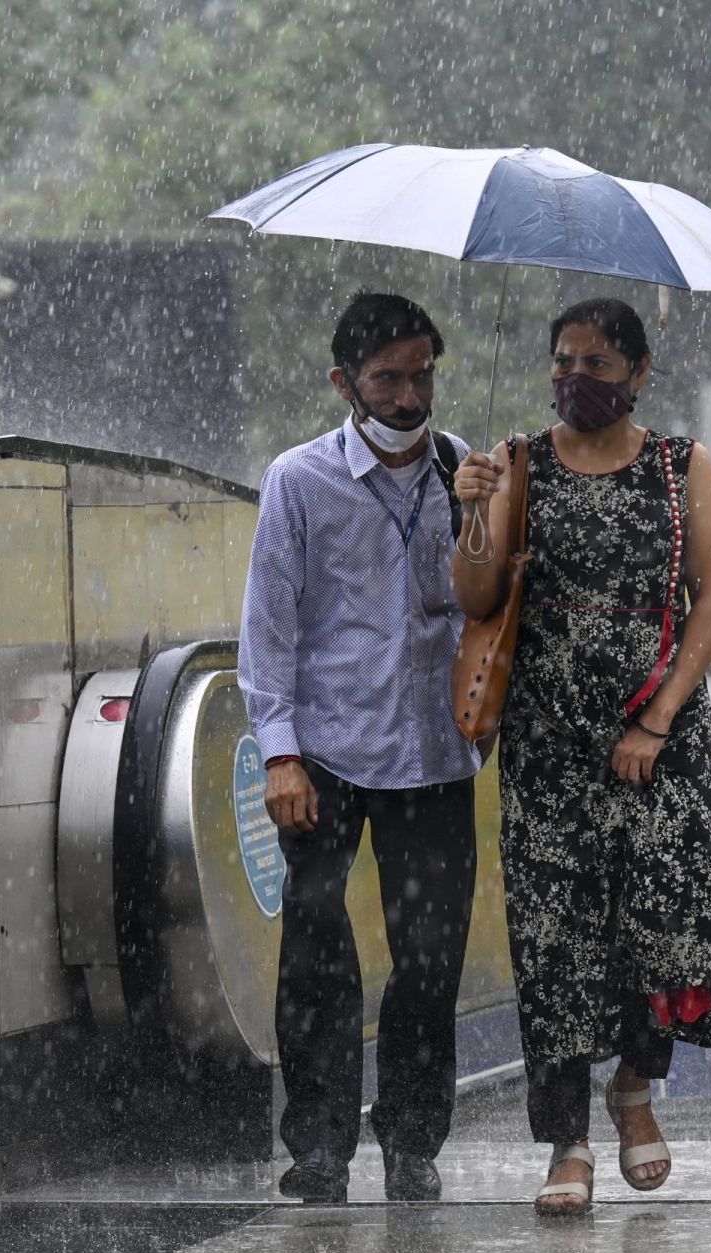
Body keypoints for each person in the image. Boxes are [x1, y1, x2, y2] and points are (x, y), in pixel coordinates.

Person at [451, 297, 711, 1216]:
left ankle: (634, 1088)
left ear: (640, 374)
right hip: (547, 744)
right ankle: (567, 1140)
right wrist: (471, 511)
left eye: (599, 364)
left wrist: (655, 721)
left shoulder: (680, 466)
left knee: (657, 929)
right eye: (564, 360)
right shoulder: (517, 464)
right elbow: (475, 596)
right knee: (555, 941)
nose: (577, 379)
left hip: (656, 742)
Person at [238, 292, 483, 1204]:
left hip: (434, 756)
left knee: (429, 959)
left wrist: (480, 520)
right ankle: (319, 1146)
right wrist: (280, 754)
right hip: (328, 755)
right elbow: (268, 628)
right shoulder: (297, 482)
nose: (409, 395)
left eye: (422, 374)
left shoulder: (468, 471)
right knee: (314, 948)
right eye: (387, 378)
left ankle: (413, 1142)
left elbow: (488, 605)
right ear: (344, 382)